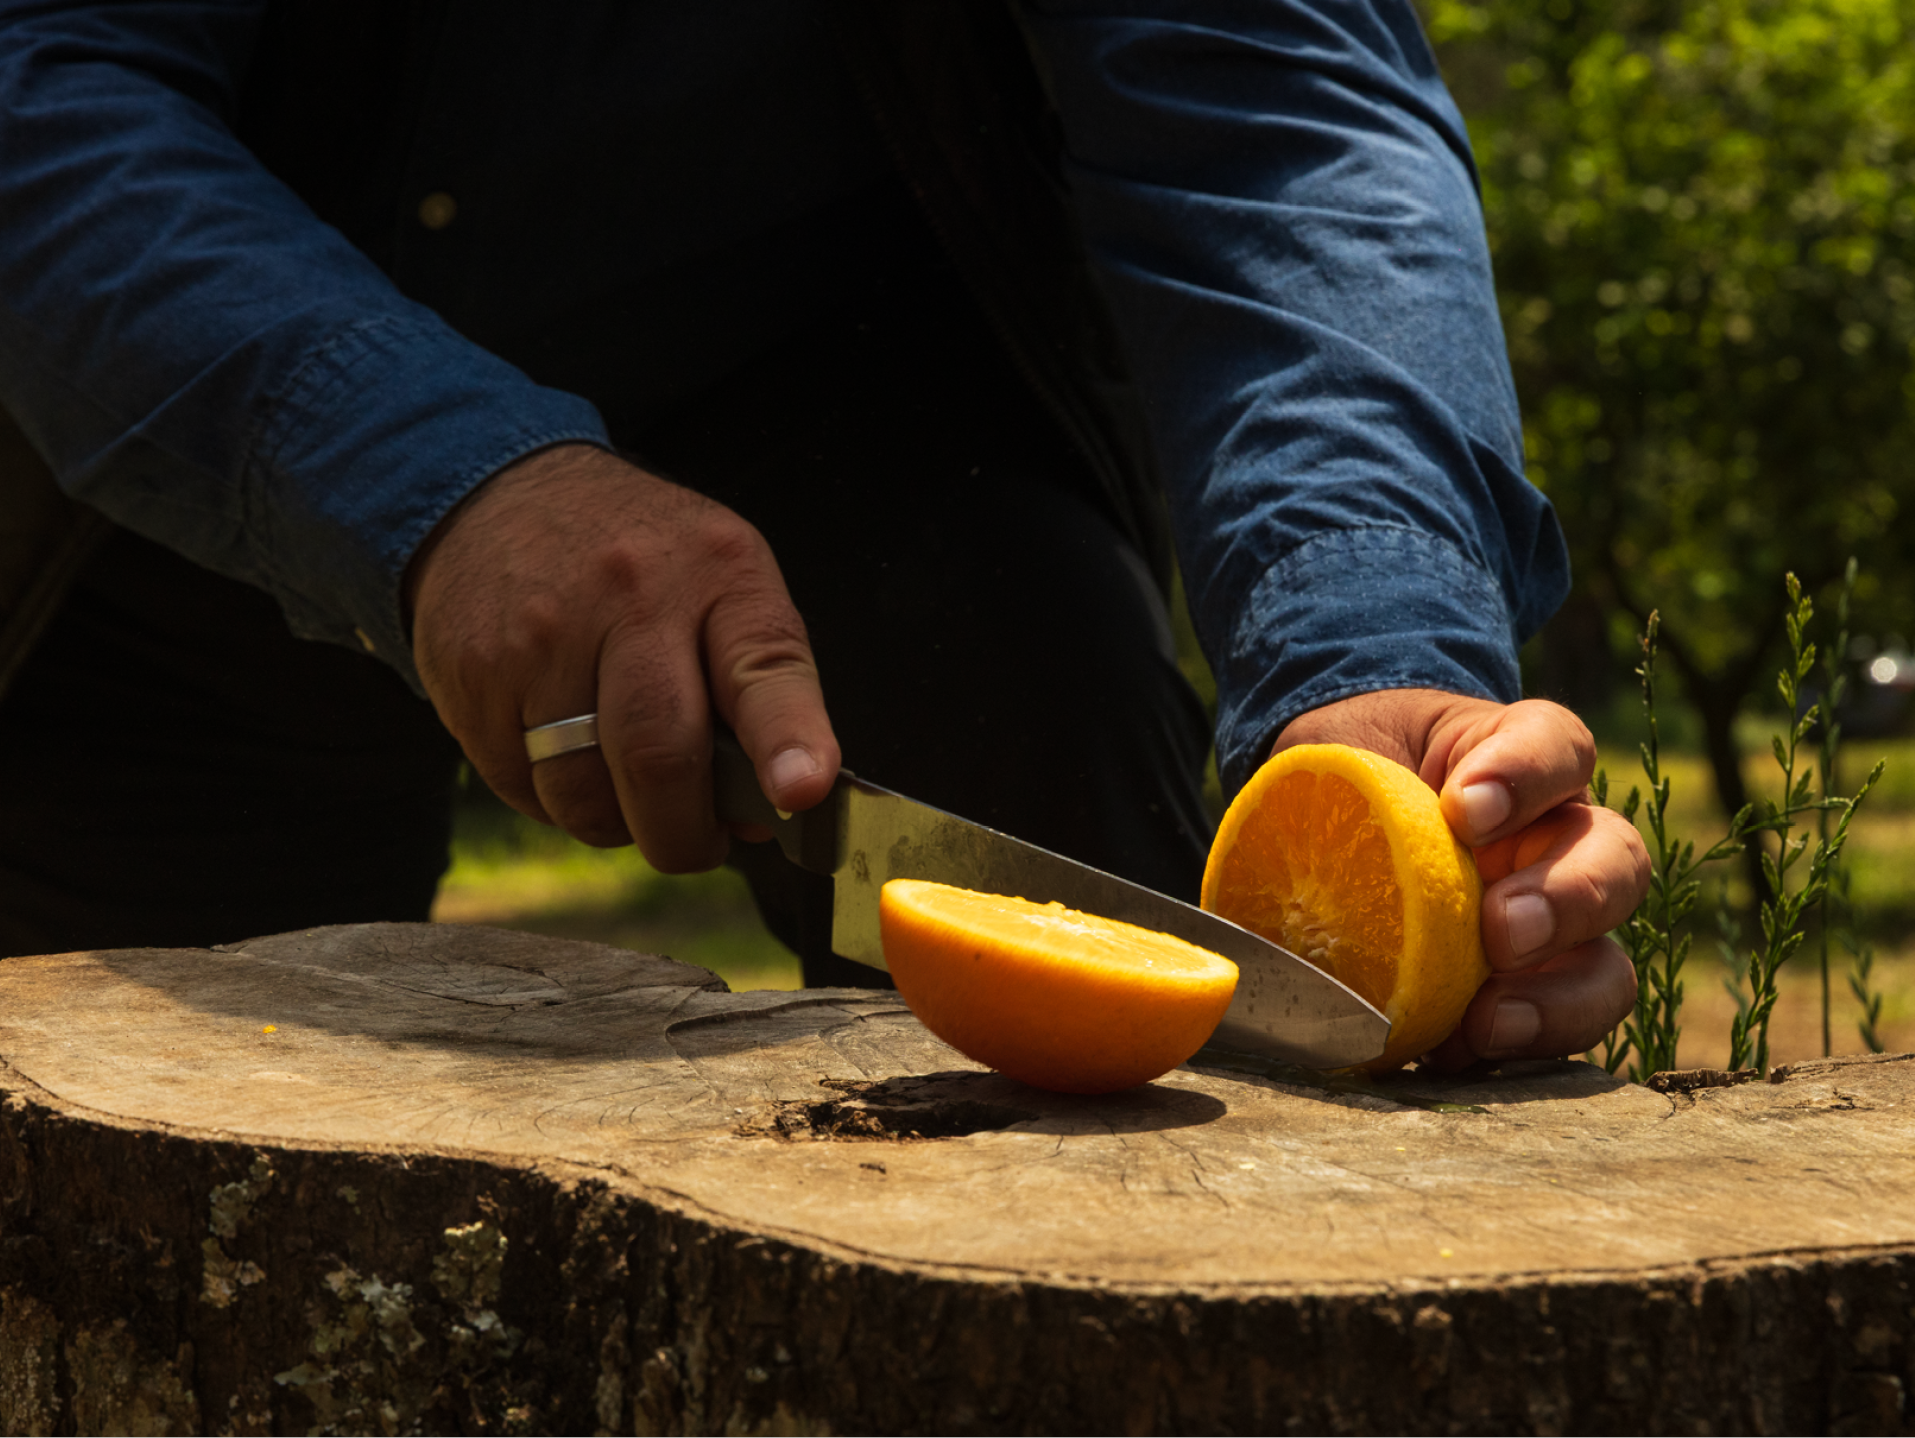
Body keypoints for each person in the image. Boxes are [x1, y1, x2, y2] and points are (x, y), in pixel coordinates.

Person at [0, 1, 1646, 1070]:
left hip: (864, 423)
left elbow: (1274, 115)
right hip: (142, 482)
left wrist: (1366, 646)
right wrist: (436, 471)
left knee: (1136, 1066)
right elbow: (40, 93)